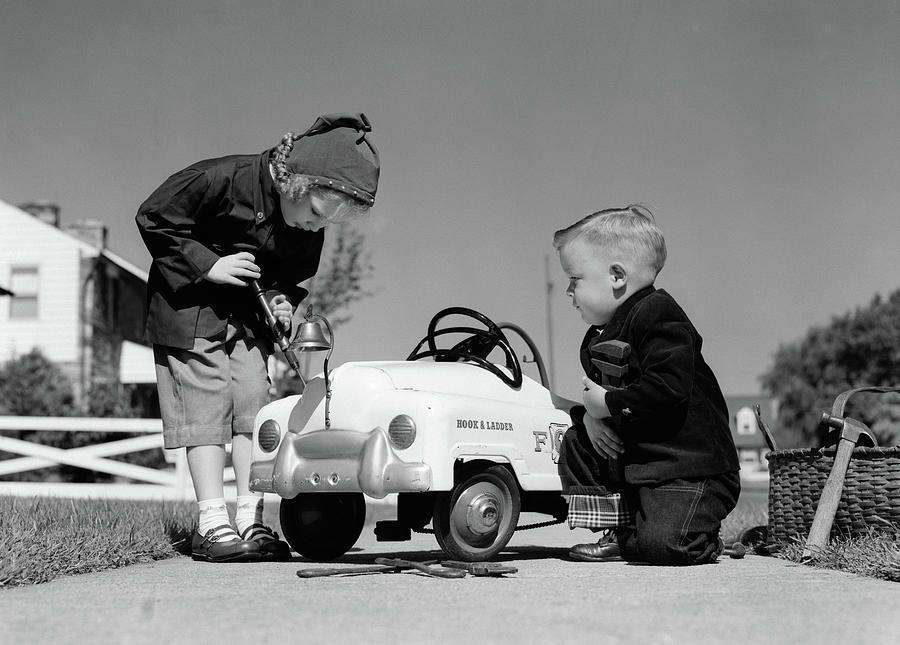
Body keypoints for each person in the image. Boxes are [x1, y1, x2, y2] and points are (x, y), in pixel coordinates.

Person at [136, 113, 380, 562]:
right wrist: (209, 265)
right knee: (206, 403)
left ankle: (252, 520)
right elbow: (154, 217)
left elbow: (293, 278)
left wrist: (284, 302)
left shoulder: (307, 226)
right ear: (294, 184)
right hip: (188, 308)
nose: (313, 228)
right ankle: (212, 525)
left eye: (324, 223)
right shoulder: (220, 179)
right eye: (313, 214)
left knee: (255, 403)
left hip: (246, 317)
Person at [553, 204, 740, 566]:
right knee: (577, 440)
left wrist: (608, 404)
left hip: (688, 469)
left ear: (617, 276)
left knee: (661, 547)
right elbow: (598, 402)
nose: (568, 291)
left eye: (575, 279)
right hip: (641, 465)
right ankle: (617, 529)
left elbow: (668, 388)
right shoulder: (597, 338)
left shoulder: (658, 314)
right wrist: (593, 419)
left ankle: (700, 536)